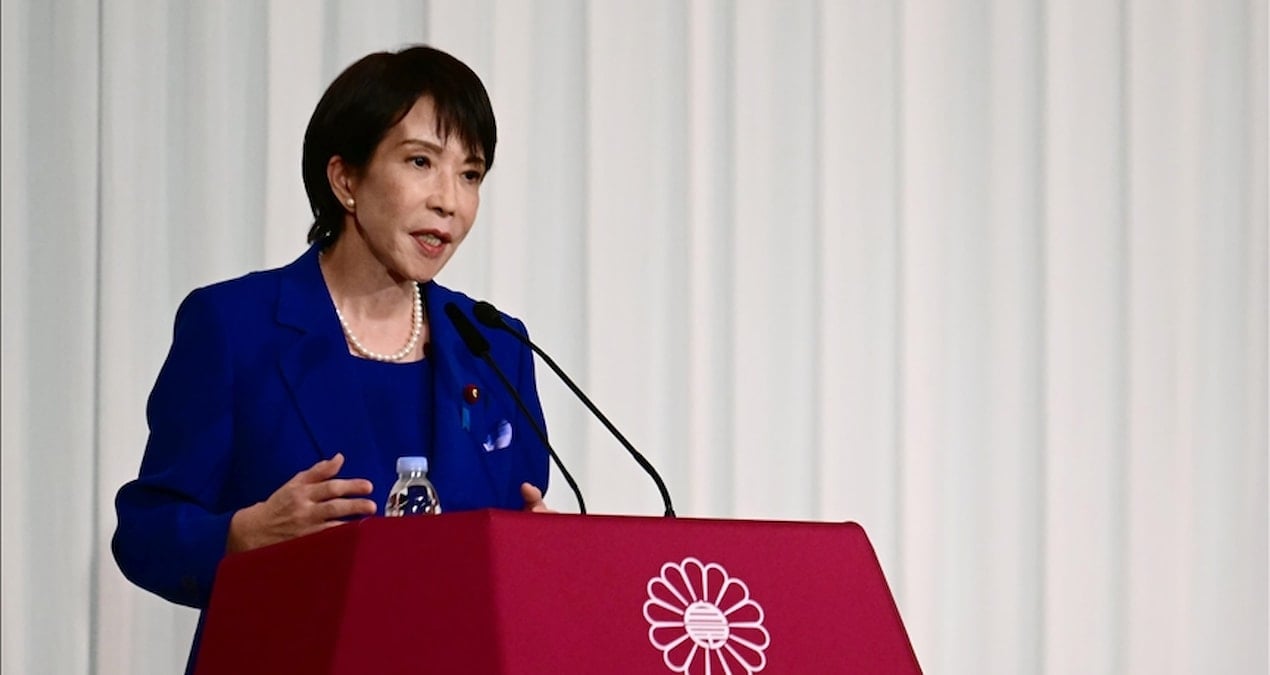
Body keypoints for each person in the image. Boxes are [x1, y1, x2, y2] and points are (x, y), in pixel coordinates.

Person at [112, 45, 552, 672]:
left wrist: (540, 556)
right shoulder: (235, 327)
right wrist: (241, 535)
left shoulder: (495, 346)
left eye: (470, 174)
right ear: (345, 180)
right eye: (421, 162)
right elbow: (145, 533)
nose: (449, 201)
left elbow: (515, 536)